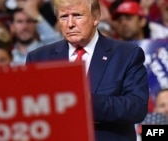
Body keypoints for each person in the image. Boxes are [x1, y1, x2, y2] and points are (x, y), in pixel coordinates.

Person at [26, 0, 149, 141]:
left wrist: (85, 101)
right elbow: (30, 111)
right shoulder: (38, 58)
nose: (70, 24)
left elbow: (137, 108)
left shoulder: (126, 54)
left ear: (95, 17)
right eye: (64, 17)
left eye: (77, 15)